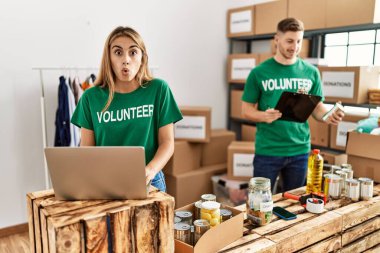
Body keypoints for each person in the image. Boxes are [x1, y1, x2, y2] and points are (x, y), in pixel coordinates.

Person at [71, 26, 183, 192]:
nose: (126, 59)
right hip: (105, 183)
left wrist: (150, 170)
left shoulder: (159, 89)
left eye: (133, 52)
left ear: (142, 57)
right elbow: (87, 150)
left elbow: (167, 143)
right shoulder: (90, 97)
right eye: (118, 52)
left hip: (150, 180)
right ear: (108, 57)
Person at [241, 18, 344, 192]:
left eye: (298, 41)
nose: (294, 47)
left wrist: (329, 116)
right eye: (289, 41)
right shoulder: (258, 72)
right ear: (276, 39)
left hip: (300, 150)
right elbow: (246, 110)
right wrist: (264, 116)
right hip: (268, 150)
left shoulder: (311, 72)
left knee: (294, 205)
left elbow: (318, 108)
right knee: (258, 203)